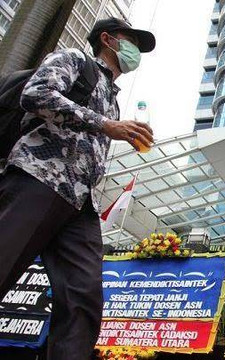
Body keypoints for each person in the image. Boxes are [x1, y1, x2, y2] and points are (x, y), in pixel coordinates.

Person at [0, 18, 155, 360]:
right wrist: (105, 124)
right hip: (39, 177)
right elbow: (36, 94)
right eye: (131, 42)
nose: (136, 52)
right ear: (107, 40)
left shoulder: (113, 101)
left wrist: (111, 126)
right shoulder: (75, 59)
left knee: (83, 295)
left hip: (78, 203)